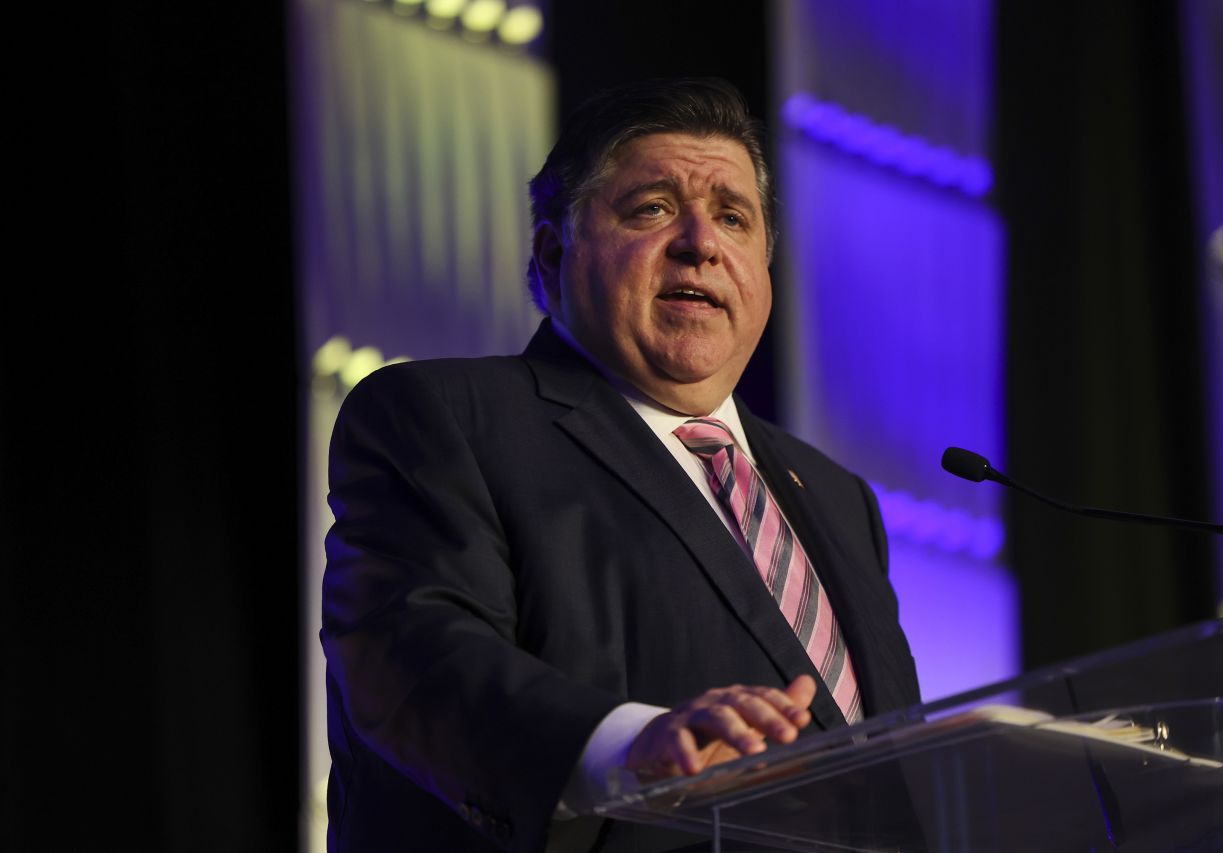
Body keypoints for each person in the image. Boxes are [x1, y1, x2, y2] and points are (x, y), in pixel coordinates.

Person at [322, 78, 919, 853]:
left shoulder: (840, 498)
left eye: (733, 217)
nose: (701, 242)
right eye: (653, 209)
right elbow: (410, 654)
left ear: (764, 273)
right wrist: (627, 749)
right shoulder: (442, 417)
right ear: (552, 250)